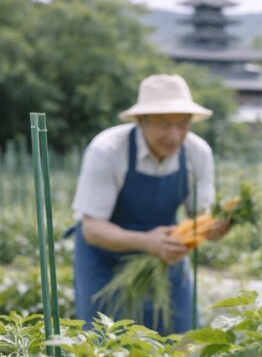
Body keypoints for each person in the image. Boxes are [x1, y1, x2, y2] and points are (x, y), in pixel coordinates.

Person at [70, 73, 227, 335]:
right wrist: (145, 242)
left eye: (183, 124)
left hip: (166, 254)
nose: (175, 135)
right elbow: (92, 229)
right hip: (104, 261)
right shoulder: (108, 150)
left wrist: (215, 227)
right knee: (107, 345)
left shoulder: (197, 153)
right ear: (141, 121)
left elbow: (200, 216)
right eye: (164, 124)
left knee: (179, 340)